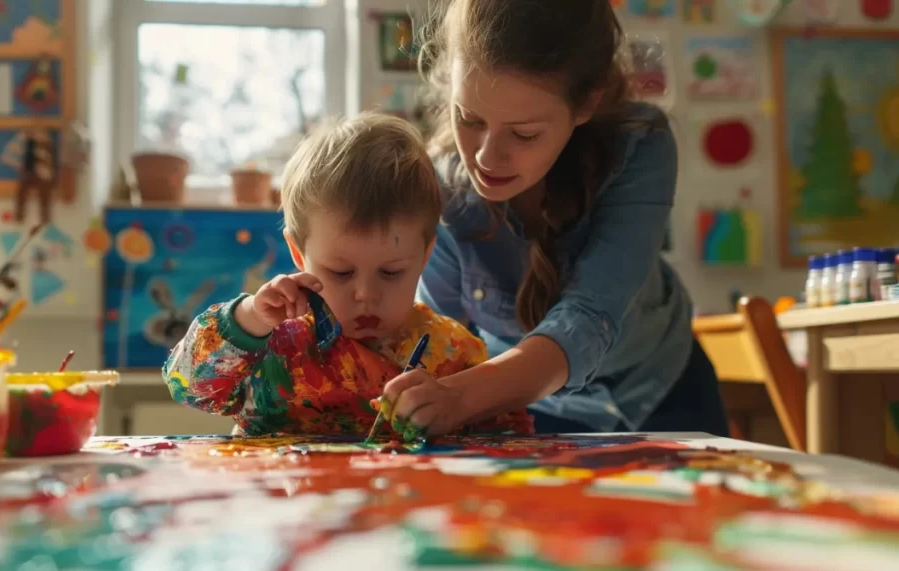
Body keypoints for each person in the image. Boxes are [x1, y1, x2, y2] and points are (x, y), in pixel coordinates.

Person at [380, 0, 729, 438]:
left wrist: (458, 398)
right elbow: (431, 338)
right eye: (469, 118)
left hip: (660, 387)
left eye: (524, 133)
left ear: (586, 103)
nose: (486, 157)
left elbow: (589, 315)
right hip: (519, 399)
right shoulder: (441, 189)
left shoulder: (641, 145)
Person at [162, 112, 533, 438]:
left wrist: (451, 415)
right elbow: (188, 387)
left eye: (390, 272)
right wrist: (248, 320)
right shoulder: (274, 342)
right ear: (298, 254)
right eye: (341, 273)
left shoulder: (454, 353)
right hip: (284, 510)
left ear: (425, 256)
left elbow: (508, 439)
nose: (365, 294)